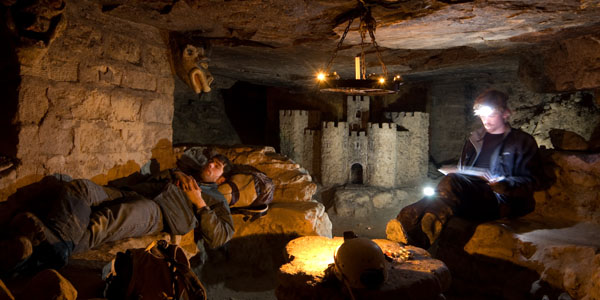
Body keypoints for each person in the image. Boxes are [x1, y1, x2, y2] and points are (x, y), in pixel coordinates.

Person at [0, 148, 234, 277]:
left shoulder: (217, 199)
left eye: (217, 167)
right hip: (136, 192)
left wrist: (200, 203)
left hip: (160, 212)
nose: (210, 165)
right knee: (80, 187)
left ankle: (39, 253)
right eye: (211, 161)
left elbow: (221, 235)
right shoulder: (185, 173)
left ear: (221, 178)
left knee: (110, 218)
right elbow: (159, 176)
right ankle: (55, 249)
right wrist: (176, 174)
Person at [396, 89, 541, 249]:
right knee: (447, 186)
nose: (485, 120)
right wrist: (458, 171)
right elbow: (463, 170)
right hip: (471, 195)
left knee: (452, 182)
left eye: (491, 115)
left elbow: (532, 180)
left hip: (499, 201)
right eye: (482, 115)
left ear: (505, 113)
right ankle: (415, 227)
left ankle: (409, 219)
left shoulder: (522, 142)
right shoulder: (474, 140)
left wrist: (504, 184)